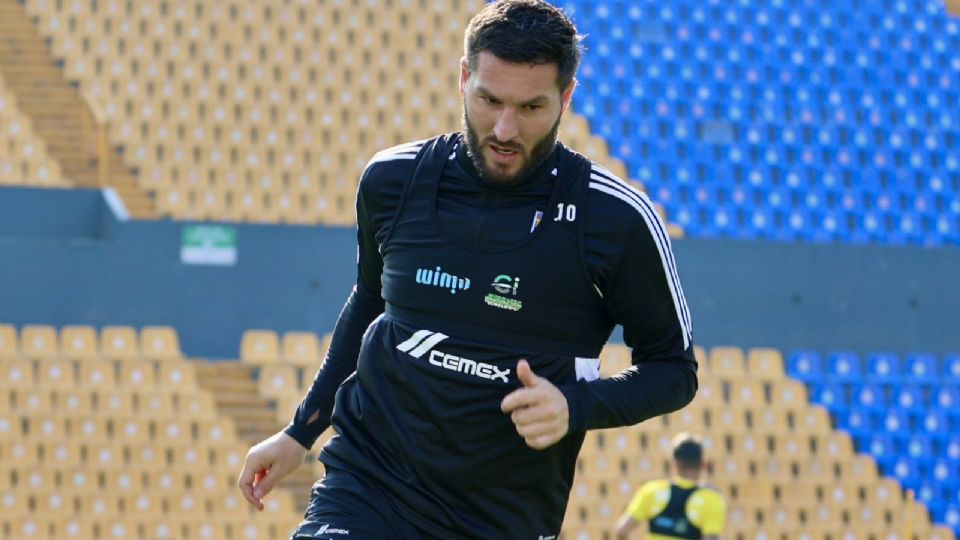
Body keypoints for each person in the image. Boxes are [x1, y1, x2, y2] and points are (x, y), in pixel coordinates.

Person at [238, 1, 698, 538]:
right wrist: (301, 430)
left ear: (566, 98)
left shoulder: (615, 219)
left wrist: (575, 406)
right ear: (464, 79)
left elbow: (674, 369)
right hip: (368, 490)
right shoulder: (392, 181)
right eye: (489, 100)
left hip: (502, 518)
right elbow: (370, 302)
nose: (504, 128)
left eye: (530, 108)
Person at [615, 433, 726, 540]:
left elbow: (622, 531)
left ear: (675, 463)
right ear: (703, 465)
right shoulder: (713, 499)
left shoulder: (651, 490)